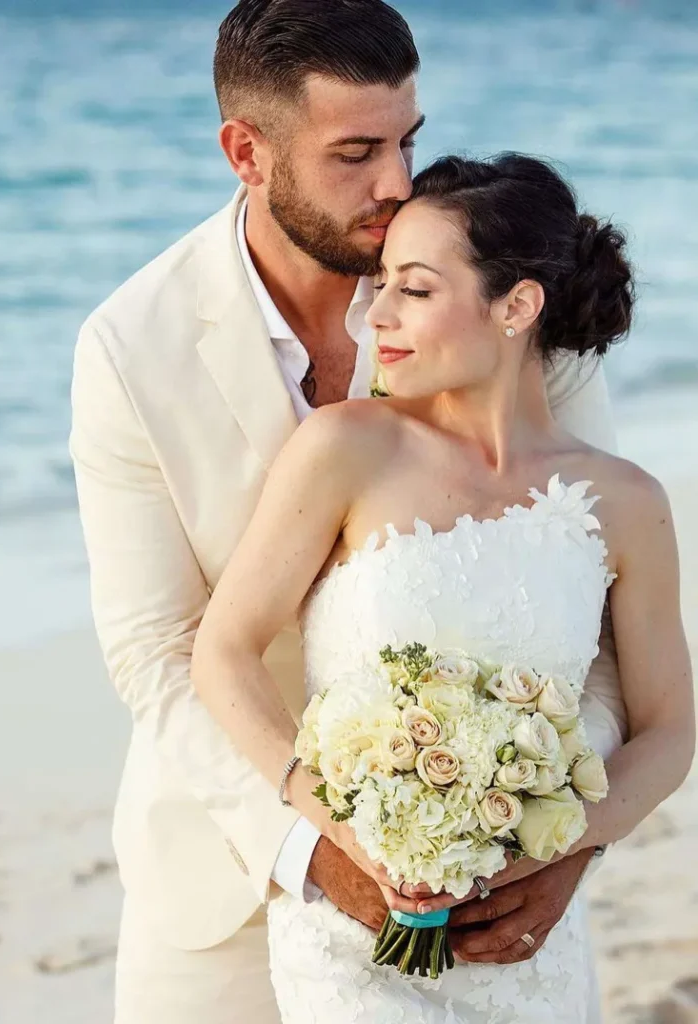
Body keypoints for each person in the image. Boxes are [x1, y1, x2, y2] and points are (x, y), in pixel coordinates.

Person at [69, 1, 627, 1020]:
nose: (395, 185)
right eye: (355, 152)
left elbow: (589, 609)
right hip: (222, 878)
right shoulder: (129, 346)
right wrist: (317, 851)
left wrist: (562, 837)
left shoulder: (490, 293)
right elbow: (155, 650)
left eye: (406, 140)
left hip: (484, 880)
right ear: (248, 151)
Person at [190, 152, 695, 1022]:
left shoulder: (624, 501)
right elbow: (222, 653)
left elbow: (667, 731)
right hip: (351, 944)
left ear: (517, 305)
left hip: (526, 946)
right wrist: (340, 827)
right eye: (379, 284)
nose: (375, 316)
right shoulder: (346, 448)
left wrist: (553, 856)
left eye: (413, 290)